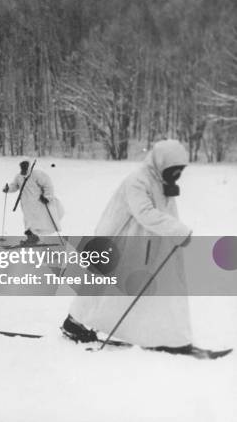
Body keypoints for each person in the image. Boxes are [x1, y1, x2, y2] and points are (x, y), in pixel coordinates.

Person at [62, 139, 194, 353]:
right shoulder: (138, 180)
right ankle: (74, 323)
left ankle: (160, 335)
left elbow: (165, 213)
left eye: (180, 171)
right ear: (162, 163)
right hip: (118, 239)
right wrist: (178, 231)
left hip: (141, 243)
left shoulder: (160, 180)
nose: (177, 175)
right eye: (174, 170)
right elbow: (145, 213)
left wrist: (174, 236)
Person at [3, 159, 63, 245]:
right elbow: (15, 186)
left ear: (28, 167)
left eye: (25, 168)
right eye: (22, 168)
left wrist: (47, 197)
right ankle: (32, 238)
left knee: (39, 221)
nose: (23, 170)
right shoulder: (18, 177)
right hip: (26, 204)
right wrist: (8, 188)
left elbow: (48, 185)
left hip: (38, 203)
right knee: (28, 221)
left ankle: (35, 238)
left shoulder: (37, 175)